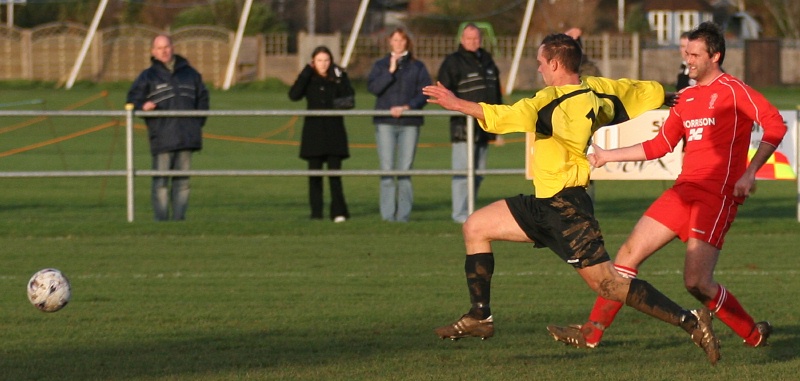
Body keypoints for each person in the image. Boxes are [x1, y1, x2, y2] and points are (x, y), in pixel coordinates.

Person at [422, 33, 720, 365]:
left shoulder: (549, 102)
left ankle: (691, 321)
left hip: (566, 210)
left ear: (554, 64)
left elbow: (502, 116)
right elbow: (636, 91)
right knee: (476, 226)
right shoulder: (597, 90)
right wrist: (667, 96)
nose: (538, 70)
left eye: (539, 63)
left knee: (608, 285)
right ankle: (480, 317)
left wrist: (456, 103)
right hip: (543, 203)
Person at [547, 21, 784, 351]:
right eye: (686, 52)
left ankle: (753, 334)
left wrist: (750, 172)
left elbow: (775, 125)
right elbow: (659, 145)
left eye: (695, 54)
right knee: (627, 256)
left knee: (697, 283)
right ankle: (591, 333)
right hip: (683, 190)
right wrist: (606, 155)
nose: (688, 59)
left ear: (715, 56)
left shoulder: (733, 90)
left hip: (716, 196)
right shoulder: (686, 97)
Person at [127, 34, 209, 221]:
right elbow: (132, 99)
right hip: (162, 136)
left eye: (167, 47)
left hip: (187, 137)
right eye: (159, 48)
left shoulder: (191, 74)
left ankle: (179, 221)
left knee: (183, 183)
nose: (164, 51)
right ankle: (161, 221)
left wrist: (196, 123)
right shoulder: (147, 76)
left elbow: (203, 100)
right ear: (153, 52)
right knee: (161, 182)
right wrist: (142, 106)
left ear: (173, 48)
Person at [437, 23, 503, 223]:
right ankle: (459, 214)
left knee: (479, 172)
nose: (473, 42)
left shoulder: (488, 60)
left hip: (486, 126)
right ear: (462, 39)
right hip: (463, 127)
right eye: (469, 38)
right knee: (462, 173)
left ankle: (470, 209)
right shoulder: (453, 62)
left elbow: (496, 93)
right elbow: (443, 91)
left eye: (476, 39)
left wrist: (499, 124)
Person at [367, 27, 432, 222]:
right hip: (385, 121)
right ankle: (388, 216)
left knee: (405, 169)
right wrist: (390, 71)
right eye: (395, 40)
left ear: (407, 43)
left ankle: (403, 216)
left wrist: (408, 106)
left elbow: (425, 91)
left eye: (401, 40)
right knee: (387, 169)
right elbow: (373, 88)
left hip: (409, 122)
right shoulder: (380, 65)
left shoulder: (417, 66)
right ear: (389, 42)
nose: (398, 44)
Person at [288, 46, 353, 223]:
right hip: (314, 133)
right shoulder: (309, 78)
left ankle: (339, 212)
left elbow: (348, 101)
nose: (323, 64)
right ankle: (316, 213)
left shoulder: (338, 77)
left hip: (334, 131)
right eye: (319, 61)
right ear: (313, 62)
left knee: (335, 176)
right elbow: (294, 95)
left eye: (326, 60)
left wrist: (340, 80)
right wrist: (306, 73)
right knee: (314, 176)